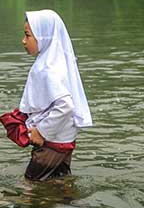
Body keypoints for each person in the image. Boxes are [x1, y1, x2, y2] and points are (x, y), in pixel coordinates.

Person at [17, 9, 93, 181]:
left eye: (27, 35)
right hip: (64, 141)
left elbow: (65, 105)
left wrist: (41, 132)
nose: (23, 41)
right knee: (59, 184)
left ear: (44, 37)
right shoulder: (57, 61)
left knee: (31, 187)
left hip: (51, 144)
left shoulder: (48, 70)